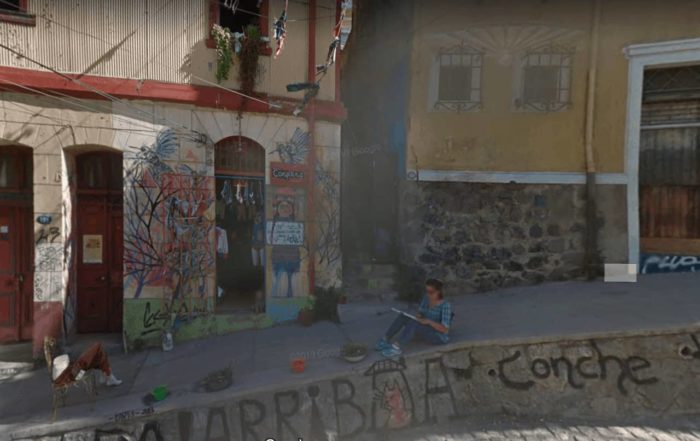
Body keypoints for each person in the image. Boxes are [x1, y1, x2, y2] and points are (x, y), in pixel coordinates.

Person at [375, 279, 452, 357]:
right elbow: (421, 312)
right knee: (404, 316)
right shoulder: (426, 298)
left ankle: (396, 348)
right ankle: (385, 339)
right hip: (426, 327)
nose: (428, 294)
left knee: (414, 324)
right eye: (427, 291)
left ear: (438, 292)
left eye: (431, 292)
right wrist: (418, 315)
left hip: (438, 336)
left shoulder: (445, 306)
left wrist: (429, 321)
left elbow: (445, 329)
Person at [52, 343, 122, 388]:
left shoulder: (57, 373)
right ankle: (106, 374)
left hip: (77, 368)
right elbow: (70, 377)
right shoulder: (59, 378)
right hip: (77, 372)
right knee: (98, 347)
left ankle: (106, 373)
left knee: (99, 353)